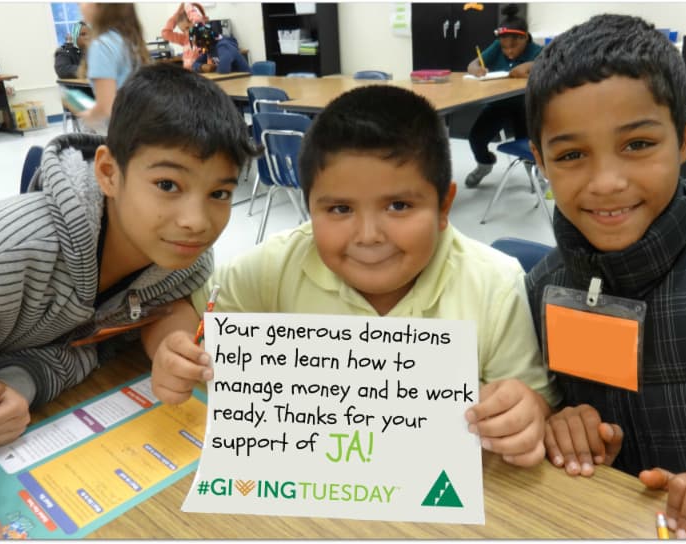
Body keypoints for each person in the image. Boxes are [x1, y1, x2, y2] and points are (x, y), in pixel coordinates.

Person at [142, 85, 560, 468]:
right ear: (309, 207)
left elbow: (534, 403)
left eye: (398, 206)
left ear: (444, 205)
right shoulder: (276, 265)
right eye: (339, 209)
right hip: (303, 494)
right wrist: (173, 349)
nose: (368, 237)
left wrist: (525, 415)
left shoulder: (494, 284)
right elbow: (182, 313)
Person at [0, 62, 258, 539]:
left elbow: (161, 308)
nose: (196, 221)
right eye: (168, 185)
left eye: (220, 192)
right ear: (108, 173)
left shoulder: (186, 260)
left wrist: (172, 344)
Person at [524, 14, 686, 539]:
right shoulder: (543, 289)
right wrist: (563, 424)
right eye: (571, 155)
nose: (607, 182)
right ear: (541, 161)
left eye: (637, 145)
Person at [464, 4, 542, 189]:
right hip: (499, 104)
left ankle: (535, 174)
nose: (509, 51)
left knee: (528, 144)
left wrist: (529, 66)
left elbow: (548, 63)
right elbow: (472, 64)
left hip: (525, 106)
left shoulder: (536, 51)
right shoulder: (497, 47)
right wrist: (476, 69)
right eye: (504, 47)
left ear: (525, 37)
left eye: (514, 46)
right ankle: (484, 164)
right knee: (476, 137)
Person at [76, 3, 150, 133]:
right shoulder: (128, 40)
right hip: (141, 124)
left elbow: (107, 108)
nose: (79, 4)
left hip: (124, 131)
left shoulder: (102, 45)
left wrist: (87, 115)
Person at [161, 2, 208, 71]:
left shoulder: (202, 35)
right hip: (189, 74)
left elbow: (198, 22)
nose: (186, 32)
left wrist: (187, 5)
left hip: (202, 73)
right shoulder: (185, 39)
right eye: (183, 31)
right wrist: (177, 13)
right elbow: (165, 33)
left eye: (187, 28)